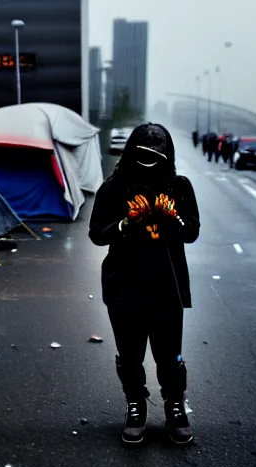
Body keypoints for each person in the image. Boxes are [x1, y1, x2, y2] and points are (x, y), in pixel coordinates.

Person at [89, 123, 201, 445]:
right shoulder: (114, 188)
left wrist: (172, 217)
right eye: (143, 153)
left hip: (167, 285)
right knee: (130, 354)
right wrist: (125, 222)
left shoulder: (179, 187)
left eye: (156, 154)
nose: (149, 160)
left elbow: (191, 231)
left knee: (169, 355)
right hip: (124, 286)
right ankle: (135, 404)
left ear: (167, 155)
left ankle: (175, 407)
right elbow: (97, 233)